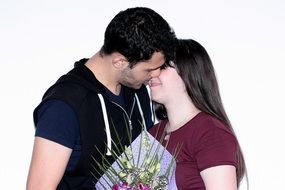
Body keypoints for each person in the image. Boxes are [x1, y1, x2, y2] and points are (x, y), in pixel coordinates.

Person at [26, 7, 177, 190]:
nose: (156, 74)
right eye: (149, 69)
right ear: (119, 62)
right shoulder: (63, 106)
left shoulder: (139, 92)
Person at [149, 39, 247, 190]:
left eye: (162, 67)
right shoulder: (153, 134)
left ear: (188, 74)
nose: (153, 73)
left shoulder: (211, 133)